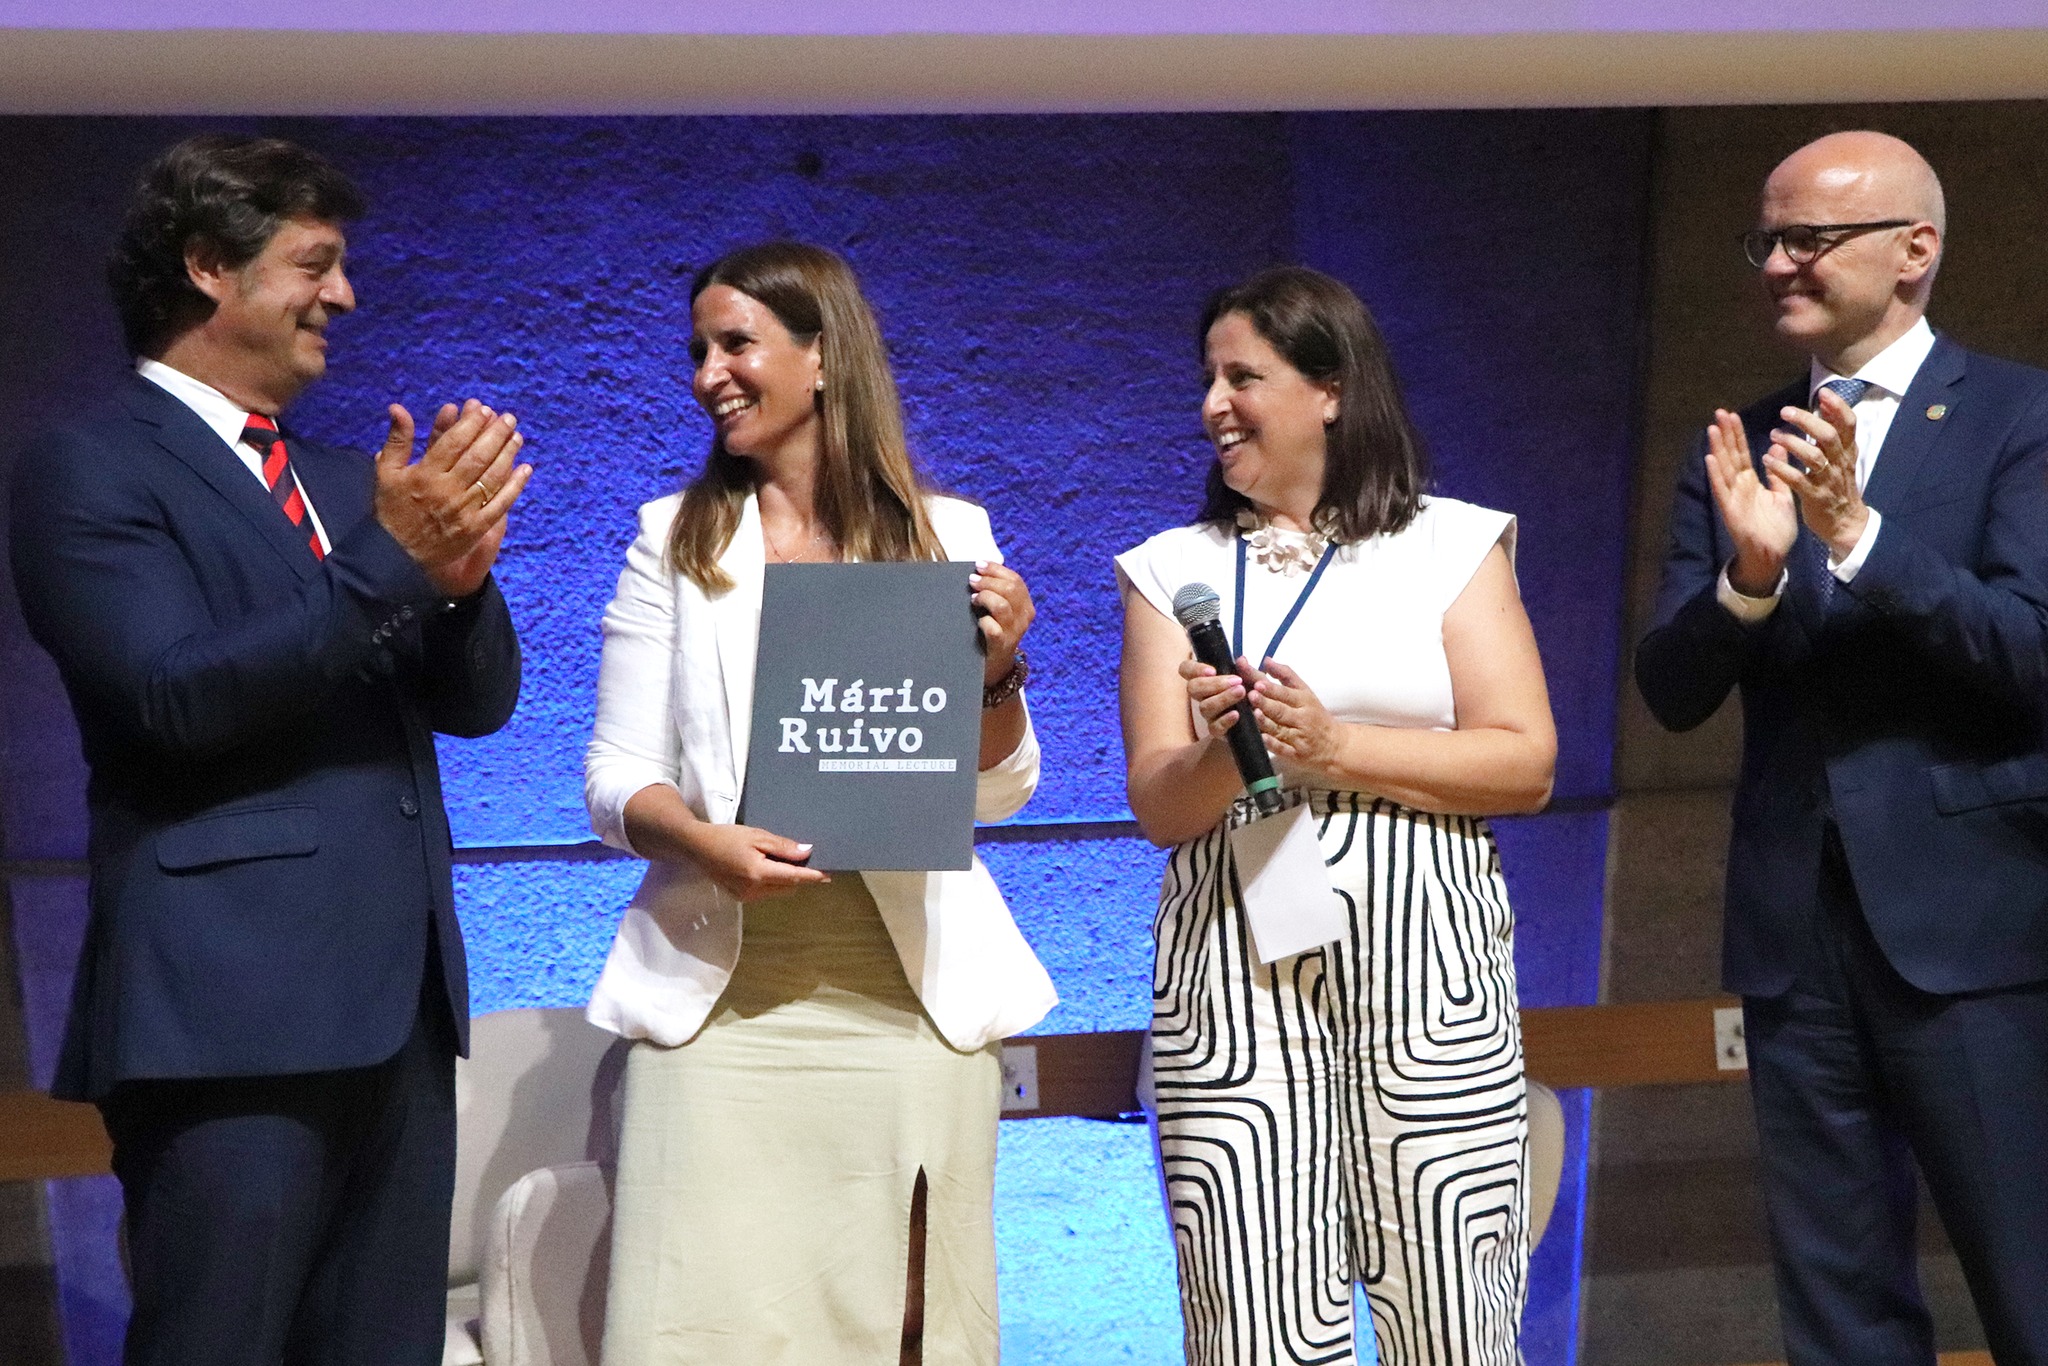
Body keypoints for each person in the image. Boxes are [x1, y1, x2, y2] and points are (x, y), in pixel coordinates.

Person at [7, 135, 529, 1366]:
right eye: (314, 263)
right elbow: (172, 696)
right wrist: (390, 562)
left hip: (398, 1012)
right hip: (226, 1014)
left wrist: (457, 584)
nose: (342, 295)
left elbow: (475, 706)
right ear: (208, 266)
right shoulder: (89, 465)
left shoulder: (351, 484)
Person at [582, 240, 1054, 1365]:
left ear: (824, 356)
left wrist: (997, 672)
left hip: (907, 1011)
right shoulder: (672, 541)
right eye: (698, 350)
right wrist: (704, 841)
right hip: (720, 1007)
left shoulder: (950, 538)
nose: (709, 373)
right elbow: (615, 779)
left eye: (736, 344)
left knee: (902, 1327)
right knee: (695, 1331)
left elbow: (998, 790)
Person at [1637, 130, 2048, 1362]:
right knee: (1836, 1312)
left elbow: (2029, 654)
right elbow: (1668, 691)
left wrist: (1860, 539)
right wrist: (1749, 580)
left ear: (1913, 249)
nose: (1776, 263)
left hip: (1972, 933)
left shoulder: (2019, 416)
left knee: (2030, 1282)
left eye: (1808, 238)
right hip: (1792, 944)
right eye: (1765, 239)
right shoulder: (1741, 438)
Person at [1116, 265, 1556, 1366]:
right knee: (1248, 1309)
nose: (1213, 404)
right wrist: (1232, 749)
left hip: (1428, 948)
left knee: (1451, 1296)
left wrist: (1334, 746)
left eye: (1242, 377)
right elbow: (1158, 803)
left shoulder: (1451, 544)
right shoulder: (1170, 569)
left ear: (1329, 389)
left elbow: (1526, 761)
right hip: (1232, 955)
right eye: (1207, 380)